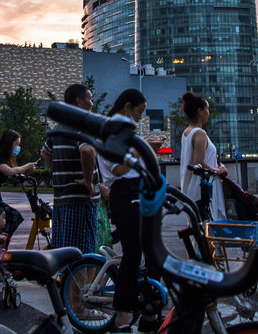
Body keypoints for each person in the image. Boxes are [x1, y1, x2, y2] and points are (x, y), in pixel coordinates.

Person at [97, 88, 157, 332]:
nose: (140, 117)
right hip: (123, 193)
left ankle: (150, 313)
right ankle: (122, 314)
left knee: (153, 254)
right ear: (127, 107)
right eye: (140, 111)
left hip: (141, 192)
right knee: (133, 254)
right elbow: (116, 171)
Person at [41, 83, 101, 254]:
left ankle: (67, 280)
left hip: (61, 198)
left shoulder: (59, 127)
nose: (91, 103)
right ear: (79, 101)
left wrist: (58, 172)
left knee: (64, 252)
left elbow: (45, 152)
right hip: (80, 200)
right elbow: (88, 150)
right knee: (82, 253)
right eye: (89, 99)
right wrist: (88, 181)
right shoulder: (81, 126)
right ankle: (79, 282)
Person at [179, 91, 227, 221]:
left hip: (192, 189)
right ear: (200, 111)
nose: (208, 113)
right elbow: (198, 163)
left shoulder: (186, 132)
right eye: (207, 109)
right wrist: (219, 170)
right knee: (208, 228)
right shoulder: (200, 133)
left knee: (198, 230)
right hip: (203, 189)